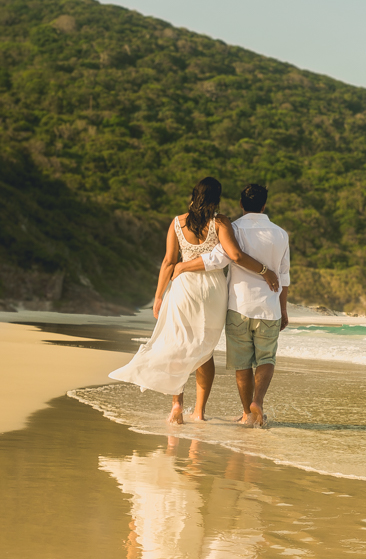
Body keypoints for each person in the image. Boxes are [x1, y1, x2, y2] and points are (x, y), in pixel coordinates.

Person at [110, 178, 279, 423]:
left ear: (193, 195)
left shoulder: (177, 223)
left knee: (178, 344)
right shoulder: (220, 222)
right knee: (205, 350)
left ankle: (177, 404)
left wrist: (158, 296)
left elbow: (169, 261)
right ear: (217, 199)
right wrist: (265, 271)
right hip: (213, 290)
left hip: (184, 288)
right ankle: (199, 412)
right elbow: (233, 255)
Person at [176, 183, 290, 427]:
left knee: (242, 364)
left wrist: (183, 265)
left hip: (238, 305)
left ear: (241, 204)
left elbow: (217, 258)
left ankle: (246, 414)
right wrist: (284, 309)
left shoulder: (233, 228)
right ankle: (257, 401)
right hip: (269, 308)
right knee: (266, 359)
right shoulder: (280, 234)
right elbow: (284, 275)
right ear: (264, 205)